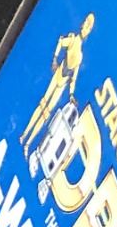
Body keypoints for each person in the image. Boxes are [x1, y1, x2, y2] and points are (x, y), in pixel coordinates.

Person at [21, 15, 96, 154]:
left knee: (46, 114)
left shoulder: (80, 56)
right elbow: (61, 42)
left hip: (63, 84)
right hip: (58, 75)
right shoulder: (73, 39)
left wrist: (71, 94)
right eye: (85, 24)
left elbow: (74, 77)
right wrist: (55, 59)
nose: (86, 28)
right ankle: (24, 134)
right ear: (82, 24)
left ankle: (28, 143)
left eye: (89, 27)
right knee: (42, 104)